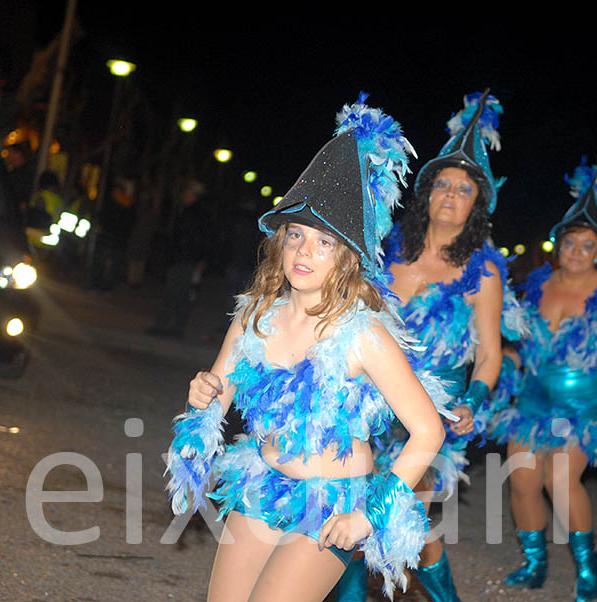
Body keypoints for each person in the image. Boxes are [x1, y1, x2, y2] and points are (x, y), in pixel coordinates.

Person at [166, 96, 447, 602]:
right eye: (296, 235)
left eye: (324, 243)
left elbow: (428, 430)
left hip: (332, 504)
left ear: (348, 258)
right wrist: (202, 395)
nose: (304, 251)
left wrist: (369, 514)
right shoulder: (255, 315)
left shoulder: (363, 334)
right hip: (259, 486)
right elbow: (218, 397)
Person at [335, 90, 526, 602]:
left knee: (399, 510)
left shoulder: (482, 269)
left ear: (477, 204)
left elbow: (489, 355)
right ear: (425, 193)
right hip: (373, 404)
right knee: (355, 505)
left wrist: (473, 402)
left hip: (437, 415)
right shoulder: (389, 248)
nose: (449, 194)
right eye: (441, 184)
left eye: (463, 189)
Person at [490, 161, 597, 602]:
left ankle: (588, 568)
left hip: (582, 406)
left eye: (587, 244)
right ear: (558, 245)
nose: (576, 250)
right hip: (534, 401)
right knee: (522, 481)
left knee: (560, 479)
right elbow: (528, 346)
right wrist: (505, 357)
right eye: (570, 242)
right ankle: (535, 562)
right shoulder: (537, 287)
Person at [148, 179, 208, 336]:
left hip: (184, 259)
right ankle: (174, 326)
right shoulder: (197, 213)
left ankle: (170, 326)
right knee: (180, 293)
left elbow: (188, 238)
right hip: (186, 258)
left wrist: (181, 255)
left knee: (176, 293)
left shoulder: (191, 213)